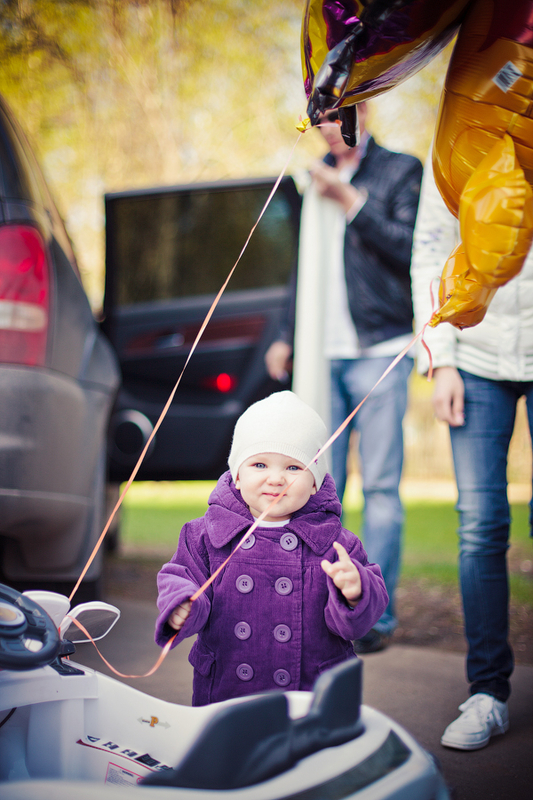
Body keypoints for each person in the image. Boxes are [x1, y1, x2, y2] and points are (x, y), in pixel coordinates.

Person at [265, 102, 422, 653]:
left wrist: (350, 199)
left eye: (338, 114)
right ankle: (319, 607)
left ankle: (374, 615)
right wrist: (286, 333)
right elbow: (302, 269)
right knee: (316, 488)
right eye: (320, 117)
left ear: (364, 109)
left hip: (380, 350)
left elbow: (411, 250)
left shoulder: (400, 169)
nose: (328, 127)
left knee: (380, 487)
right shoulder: (311, 180)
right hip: (319, 357)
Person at [155, 390, 388, 706]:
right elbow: (179, 575)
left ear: (315, 482)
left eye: (293, 468)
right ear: (237, 475)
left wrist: (355, 592)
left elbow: (356, 625)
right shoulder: (205, 535)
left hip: (311, 697)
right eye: (260, 464)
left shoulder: (337, 544)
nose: (276, 479)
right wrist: (182, 605)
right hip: (226, 691)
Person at [411, 156, 533, 750]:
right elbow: (430, 253)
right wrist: (442, 361)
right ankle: (487, 693)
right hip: (476, 355)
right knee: (480, 526)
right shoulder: (459, 143)